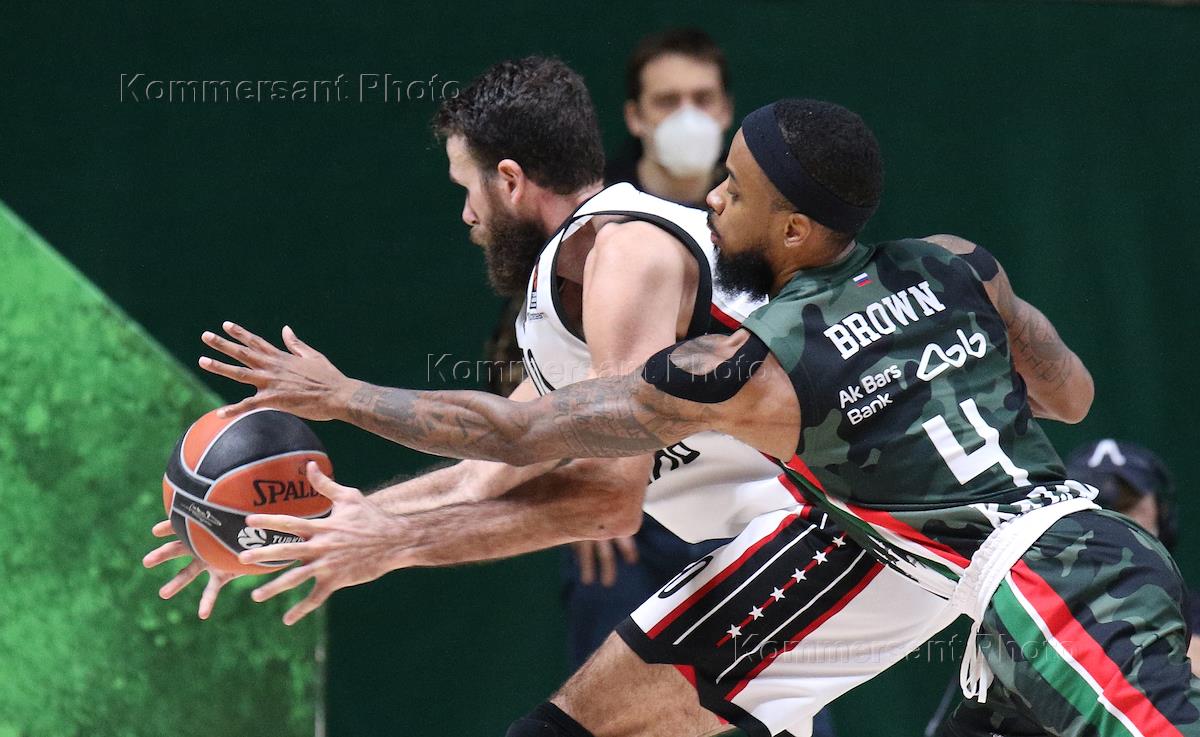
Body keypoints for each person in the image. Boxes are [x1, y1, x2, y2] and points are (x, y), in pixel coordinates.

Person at [197, 97, 1200, 735]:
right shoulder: (958, 263)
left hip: (1007, 573)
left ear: (794, 228)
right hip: (1013, 568)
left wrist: (345, 395)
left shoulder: (751, 360)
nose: (713, 199)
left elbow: (544, 450)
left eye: (735, 188)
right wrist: (348, 522)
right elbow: (1071, 394)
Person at [151, 61, 950, 737]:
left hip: (854, 531)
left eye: (467, 188)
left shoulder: (624, 250)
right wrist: (319, 528)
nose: (466, 214)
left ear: (508, 180)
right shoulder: (565, 297)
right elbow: (489, 465)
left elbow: (607, 498)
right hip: (811, 543)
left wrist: (386, 522)